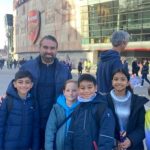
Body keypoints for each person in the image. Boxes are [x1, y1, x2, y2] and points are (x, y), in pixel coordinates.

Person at [20, 35, 72, 149]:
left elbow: (72, 92)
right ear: (39, 48)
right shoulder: (27, 68)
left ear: (56, 50)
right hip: (32, 119)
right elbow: (15, 87)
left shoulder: (64, 70)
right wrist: (6, 95)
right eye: (45, 47)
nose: (49, 51)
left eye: (52, 48)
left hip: (56, 121)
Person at [66, 74, 115, 150]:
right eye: (82, 88)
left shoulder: (103, 109)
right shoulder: (77, 109)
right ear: (78, 89)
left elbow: (106, 137)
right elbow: (70, 133)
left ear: (95, 88)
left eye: (90, 87)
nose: (86, 91)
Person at [106, 68, 148, 150]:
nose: (119, 82)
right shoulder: (104, 101)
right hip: (112, 146)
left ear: (128, 82)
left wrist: (131, 140)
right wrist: (115, 141)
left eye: (122, 79)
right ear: (112, 82)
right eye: (116, 79)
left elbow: (142, 126)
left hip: (134, 146)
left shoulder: (137, 102)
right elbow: (101, 126)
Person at [0, 70, 39, 150]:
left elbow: (35, 128)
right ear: (14, 84)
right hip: (8, 147)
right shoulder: (7, 101)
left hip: (26, 146)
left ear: (31, 85)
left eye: (27, 82)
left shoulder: (33, 102)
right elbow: (1, 126)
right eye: (20, 82)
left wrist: (35, 147)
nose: (24, 85)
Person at [45, 79, 79, 150]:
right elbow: (50, 130)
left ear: (78, 91)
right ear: (64, 92)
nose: (71, 93)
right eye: (68, 90)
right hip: (60, 146)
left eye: (74, 90)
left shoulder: (82, 108)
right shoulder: (56, 108)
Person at [96, 30, 129, 95]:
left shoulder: (103, 58)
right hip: (110, 97)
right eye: (127, 42)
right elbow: (118, 84)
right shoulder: (116, 60)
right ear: (123, 42)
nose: (127, 44)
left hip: (100, 95)